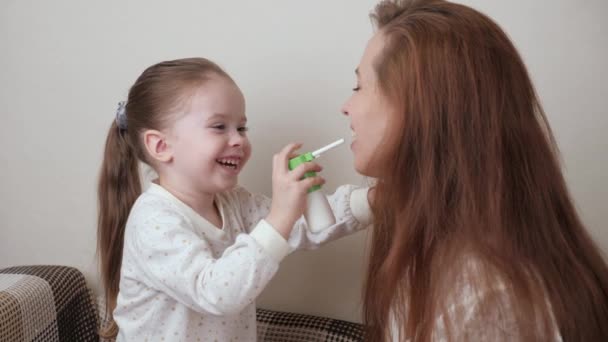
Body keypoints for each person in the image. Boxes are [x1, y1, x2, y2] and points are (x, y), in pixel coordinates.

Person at [341, 0, 608, 340]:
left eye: (358, 86)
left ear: (424, 106)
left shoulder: (480, 298)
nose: (346, 107)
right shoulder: (441, 253)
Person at [97, 57, 372, 341]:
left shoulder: (234, 202)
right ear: (161, 146)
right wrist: (280, 215)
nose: (238, 139)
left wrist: (373, 200)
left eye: (241, 128)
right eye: (219, 127)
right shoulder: (154, 220)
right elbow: (217, 293)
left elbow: (302, 223)